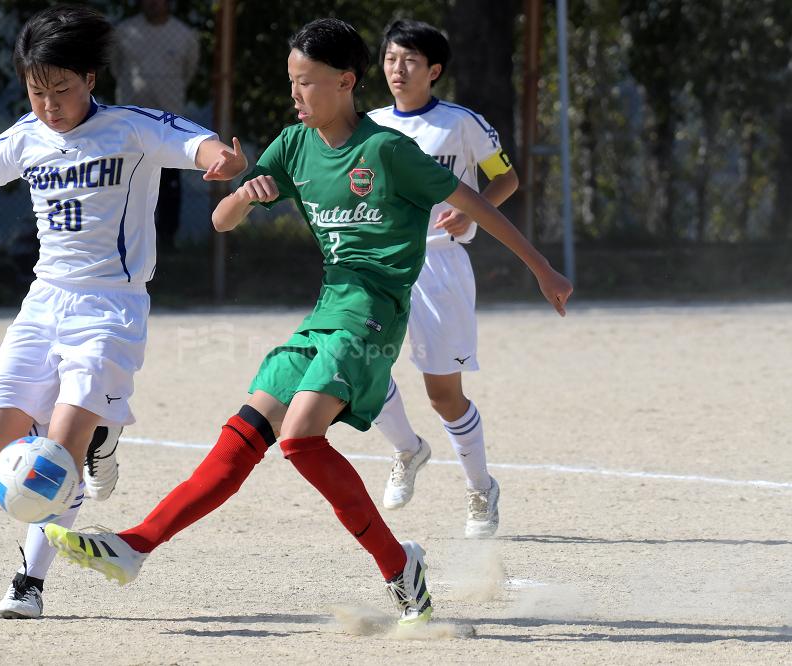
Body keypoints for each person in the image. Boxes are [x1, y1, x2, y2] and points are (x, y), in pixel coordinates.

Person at [44, 18, 572, 625]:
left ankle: (397, 565)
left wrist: (542, 268)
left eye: (305, 83)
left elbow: (475, 200)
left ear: (346, 82)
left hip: (373, 314)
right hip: (326, 313)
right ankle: (137, 545)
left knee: (298, 438)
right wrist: (245, 193)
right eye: (291, 81)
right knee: (244, 432)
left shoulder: (388, 151)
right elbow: (221, 222)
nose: (294, 95)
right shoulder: (293, 145)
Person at [0, 5, 246, 621]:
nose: (50, 103)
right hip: (44, 302)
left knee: (57, 453)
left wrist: (224, 160)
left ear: (90, 80)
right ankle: (95, 439)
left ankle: (29, 580)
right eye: (37, 90)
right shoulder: (25, 137)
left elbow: (197, 143)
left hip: (111, 306)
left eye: (62, 89)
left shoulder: (131, 129)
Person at [367, 20, 520, 538]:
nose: (397, 69)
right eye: (390, 58)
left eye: (409, 60)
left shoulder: (462, 123)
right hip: (378, 266)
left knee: (443, 395)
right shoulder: (366, 126)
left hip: (439, 266)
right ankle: (408, 450)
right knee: (357, 370)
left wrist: (474, 213)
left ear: (433, 70)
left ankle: (481, 489)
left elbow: (506, 177)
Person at [110, 0, 200, 252]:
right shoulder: (124, 32)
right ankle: (127, 237)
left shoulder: (184, 35)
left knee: (169, 181)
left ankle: (167, 239)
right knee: (128, 178)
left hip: (168, 124)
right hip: (131, 123)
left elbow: (188, 71)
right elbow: (117, 68)